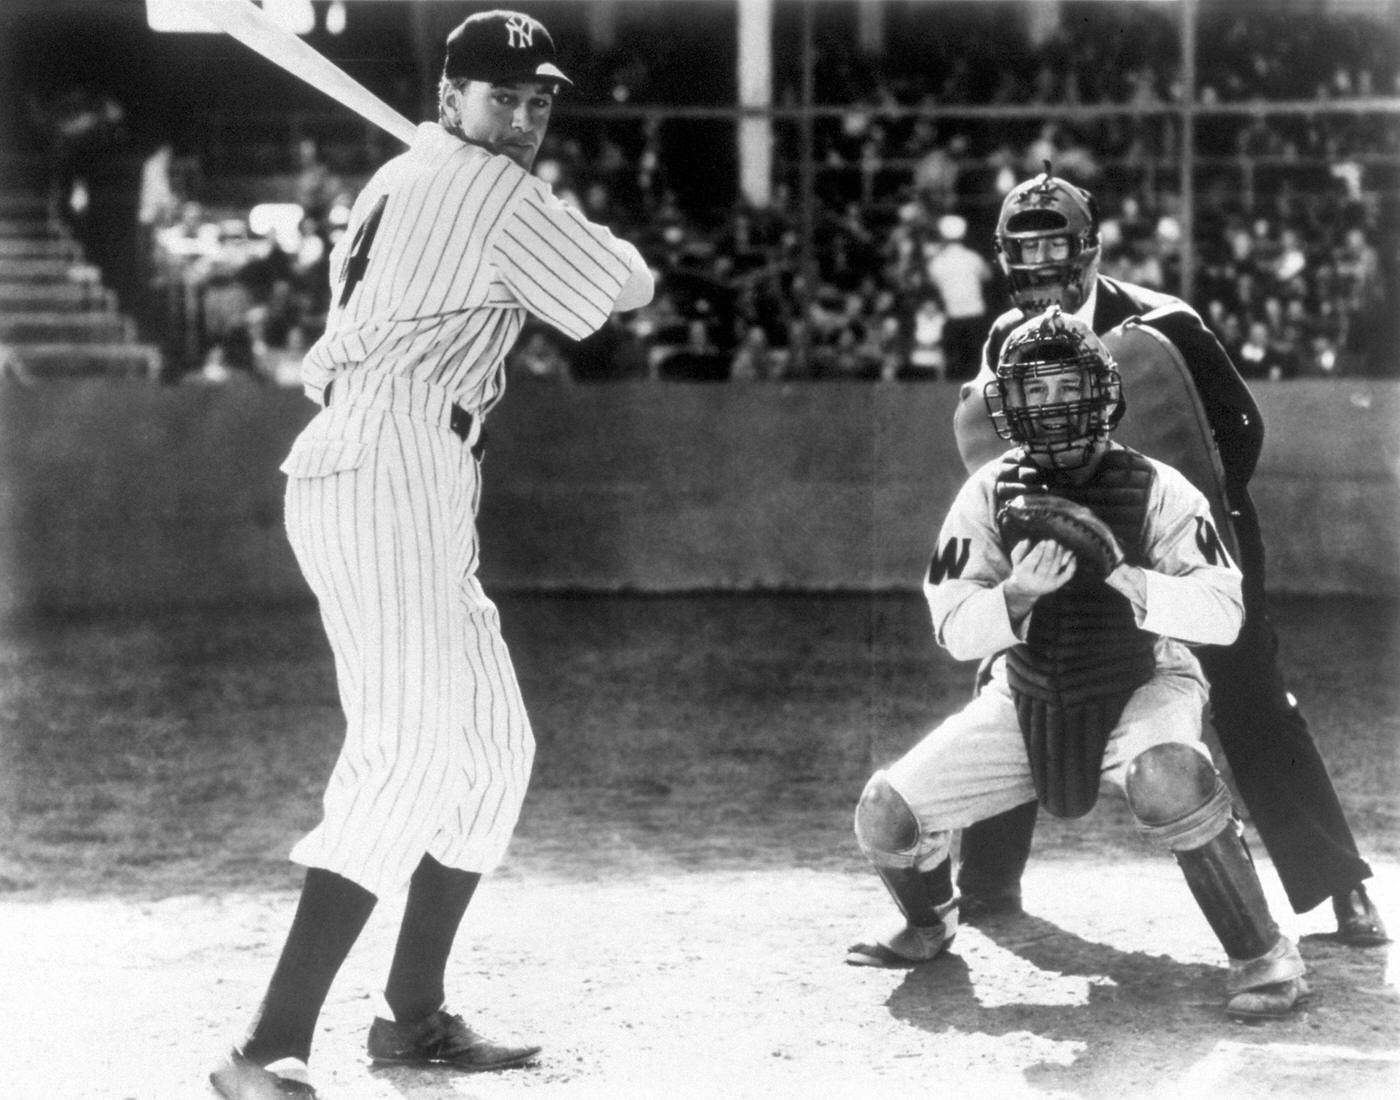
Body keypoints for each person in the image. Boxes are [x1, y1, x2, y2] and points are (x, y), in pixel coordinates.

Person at [209, 11, 653, 1099]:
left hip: (413, 463)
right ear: (451, 96)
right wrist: (575, 221)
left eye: (538, 99)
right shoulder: (487, 187)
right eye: (500, 97)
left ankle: (411, 1016)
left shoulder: (404, 177)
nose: (525, 116)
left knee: (492, 749)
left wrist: (496, 173)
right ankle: (262, 1044)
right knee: (405, 756)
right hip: (390, 451)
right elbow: (623, 289)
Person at [949, 166, 1385, 946]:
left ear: (1090, 250)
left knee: (1250, 691)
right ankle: (983, 884)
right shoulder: (1000, 342)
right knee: (1018, 674)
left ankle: (1342, 893)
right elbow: (994, 445)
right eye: (1027, 252)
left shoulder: (1165, 323)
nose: (1043, 268)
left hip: (1192, 532)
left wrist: (1172, 523)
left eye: (1057, 249)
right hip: (1075, 542)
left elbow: (1240, 432)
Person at [848, 308, 1308, 1023]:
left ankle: (1265, 955)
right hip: (1027, 688)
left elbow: (1225, 612)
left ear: (1103, 395)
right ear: (1010, 404)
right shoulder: (987, 494)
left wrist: (1134, 582)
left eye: (1068, 389)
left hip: (1144, 682)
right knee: (887, 814)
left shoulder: (1160, 489)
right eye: (1035, 392)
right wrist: (1018, 592)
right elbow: (952, 627)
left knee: (1170, 778)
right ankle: (931, 921)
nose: (1053, 406)